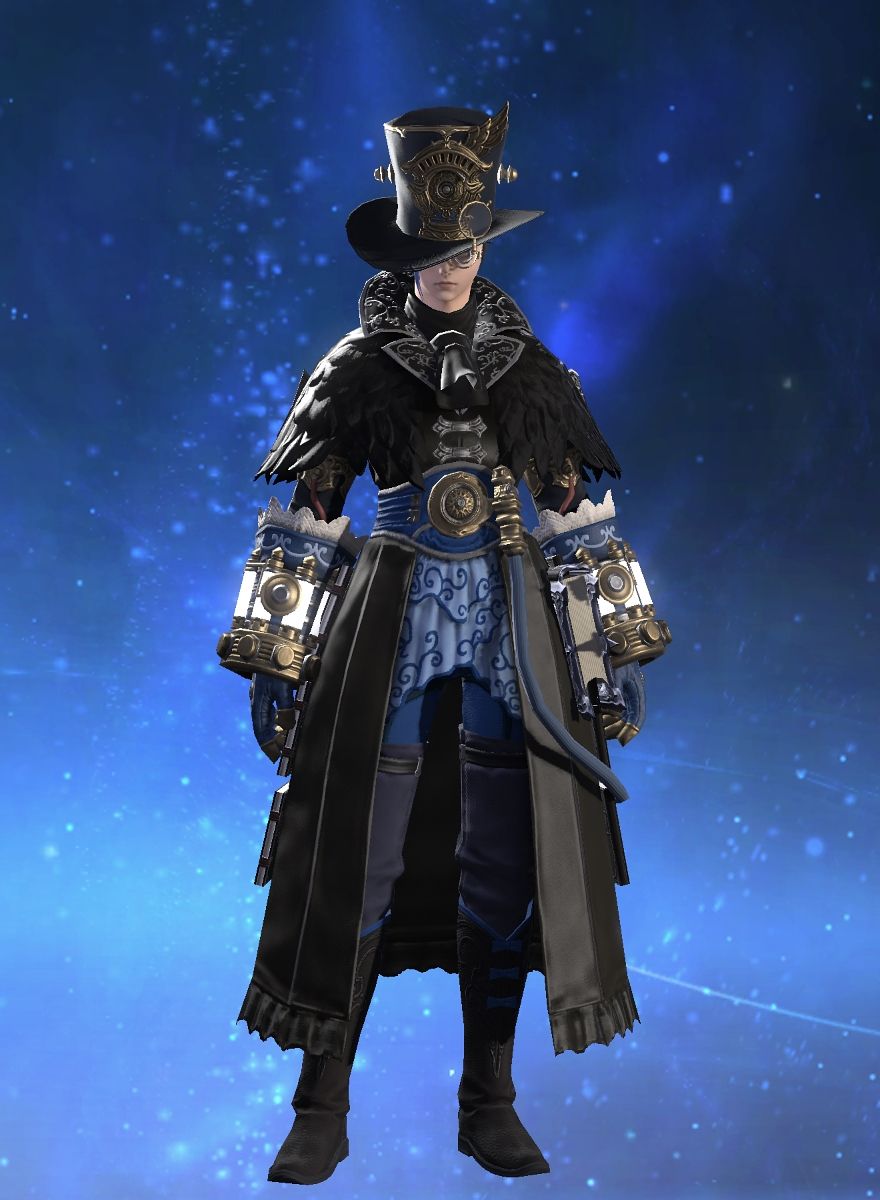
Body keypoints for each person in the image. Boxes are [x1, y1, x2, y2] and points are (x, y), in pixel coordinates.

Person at [224, 101, 668, 1186]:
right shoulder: (353, 366)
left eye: (464, 248)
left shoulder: (532, 369)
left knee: (505, 855)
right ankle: (321, 1108)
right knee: (359, 849)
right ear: (404, 254)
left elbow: (573, 513)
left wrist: (611, 648)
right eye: (433, 252)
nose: (451, 267)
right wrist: (275, 655)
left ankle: (489, 1101)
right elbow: (310, 512)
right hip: (388, 616)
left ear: (483, 247)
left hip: (512, 624)